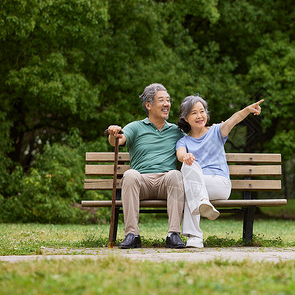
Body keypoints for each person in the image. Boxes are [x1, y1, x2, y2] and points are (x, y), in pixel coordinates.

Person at [176, 95, 263, 248]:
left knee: (191, 187)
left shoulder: (216, 131)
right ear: (186, 118)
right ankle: (201, 205)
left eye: (202, 111)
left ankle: (195, 235)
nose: (199, 116)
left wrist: (247, 110)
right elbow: (180, 154)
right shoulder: (183, 141)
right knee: (188, 167)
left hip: (219, 184)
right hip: (197, 185)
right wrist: (186, 156)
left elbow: (233, 120)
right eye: (194, 113)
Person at [107, 83, 186, 249]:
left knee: (176, 174)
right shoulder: (135, 127)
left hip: (166, 181)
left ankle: (173, 235)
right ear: (148, 105)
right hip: (141, 182)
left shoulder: (176, 131)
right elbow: (118, 140)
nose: (167, 104)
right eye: (161, 100)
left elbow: (197, 141)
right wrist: (114, 134)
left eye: (168, 100)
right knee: (129, 174)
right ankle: (132, 234)